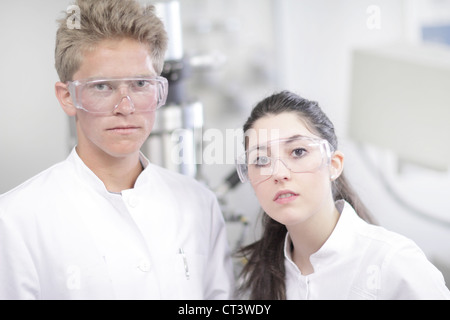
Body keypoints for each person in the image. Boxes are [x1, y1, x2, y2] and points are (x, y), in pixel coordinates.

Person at [0, 0, 234, 300]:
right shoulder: (15, 220)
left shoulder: (199, 204)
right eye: (102, 87)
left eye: (140, 84)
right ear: (68, 97)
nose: (125, 107)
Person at [235, 90, 450, 300]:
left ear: (334, 165)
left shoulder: (394, 262)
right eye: (261, 160)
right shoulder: (255, 277)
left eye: (298, 152)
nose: (279, 173)